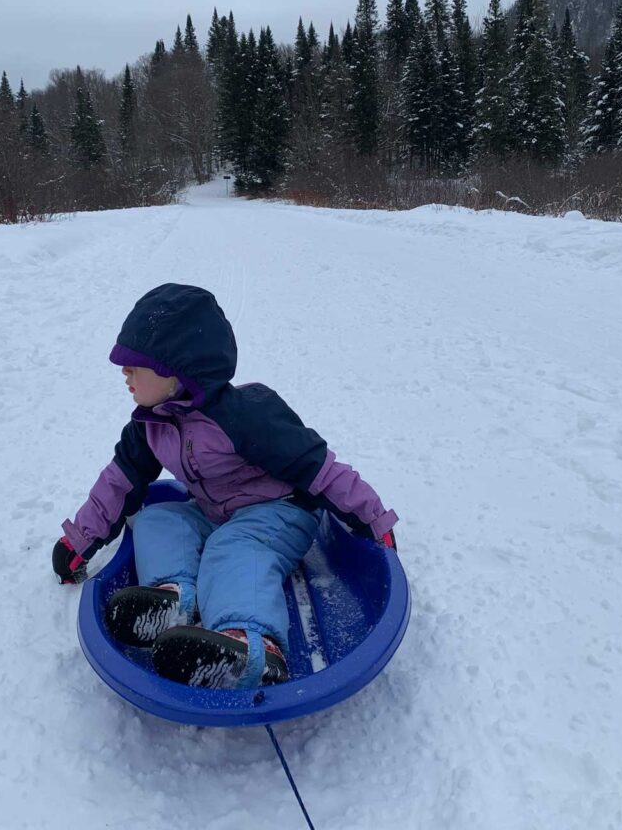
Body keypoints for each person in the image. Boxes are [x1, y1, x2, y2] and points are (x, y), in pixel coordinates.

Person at [53, 283, 398, 689]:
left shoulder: (245, 414)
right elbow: (119, 482)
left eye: (135, 365)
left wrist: (373, 519)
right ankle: (174, 598)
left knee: (232, 548)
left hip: (279, 513)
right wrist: (80, 540)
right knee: (157, 519)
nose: (124, 373)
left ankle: (251, 646)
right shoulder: (151, 424)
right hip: (215, 510)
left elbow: (318, 467)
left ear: (175, 369)